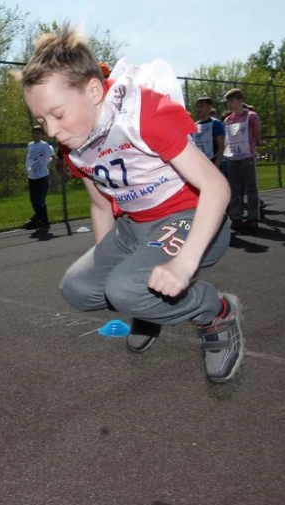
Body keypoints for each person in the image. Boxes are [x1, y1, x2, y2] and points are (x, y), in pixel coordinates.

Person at [19, 26, 244, 383]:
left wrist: (183, 264)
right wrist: (114, 266)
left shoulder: (142, 114)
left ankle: (216, 313)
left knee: (125, 288)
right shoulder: (74, 146)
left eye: (57, 114)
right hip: (134, 228)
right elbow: (100, 206)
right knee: (78, 289)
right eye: (42, 120)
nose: (51, 130)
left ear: (93, 91)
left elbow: (216, 186)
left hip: (191, 219)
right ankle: (149, 304)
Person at [223, 88, 262, 230]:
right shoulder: (228, 120)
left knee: (251, 187)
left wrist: (253, 144)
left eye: (231, 101)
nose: (229, 104)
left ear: (240, 101)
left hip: (247, 155)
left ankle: (253, 217)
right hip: (233, 157)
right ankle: (236, 217)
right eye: (228, 102)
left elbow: (257, 133)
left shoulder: (251, 116)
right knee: (235, 188)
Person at [25, 125, 55, 239]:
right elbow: (29, 159)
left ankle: (43, 223)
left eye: (38, 133)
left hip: (42, 176)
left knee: (40, 201)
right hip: (32, 176)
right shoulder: (30, 145)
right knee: (33, 201)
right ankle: (38, 221)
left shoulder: (45, 145)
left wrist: (47, 161)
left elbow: (53, 157)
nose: (36, 134)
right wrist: (29, 168)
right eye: (34, 132)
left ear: (42, 134)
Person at [192, 96, 226, 175]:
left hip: (213, 161)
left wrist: (216, 165)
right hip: (200, 163)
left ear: (209, 107)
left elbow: (221, 146)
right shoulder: (194, 125)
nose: (199, 109)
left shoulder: (216, 123)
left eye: (201, 106)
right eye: (197, 107)